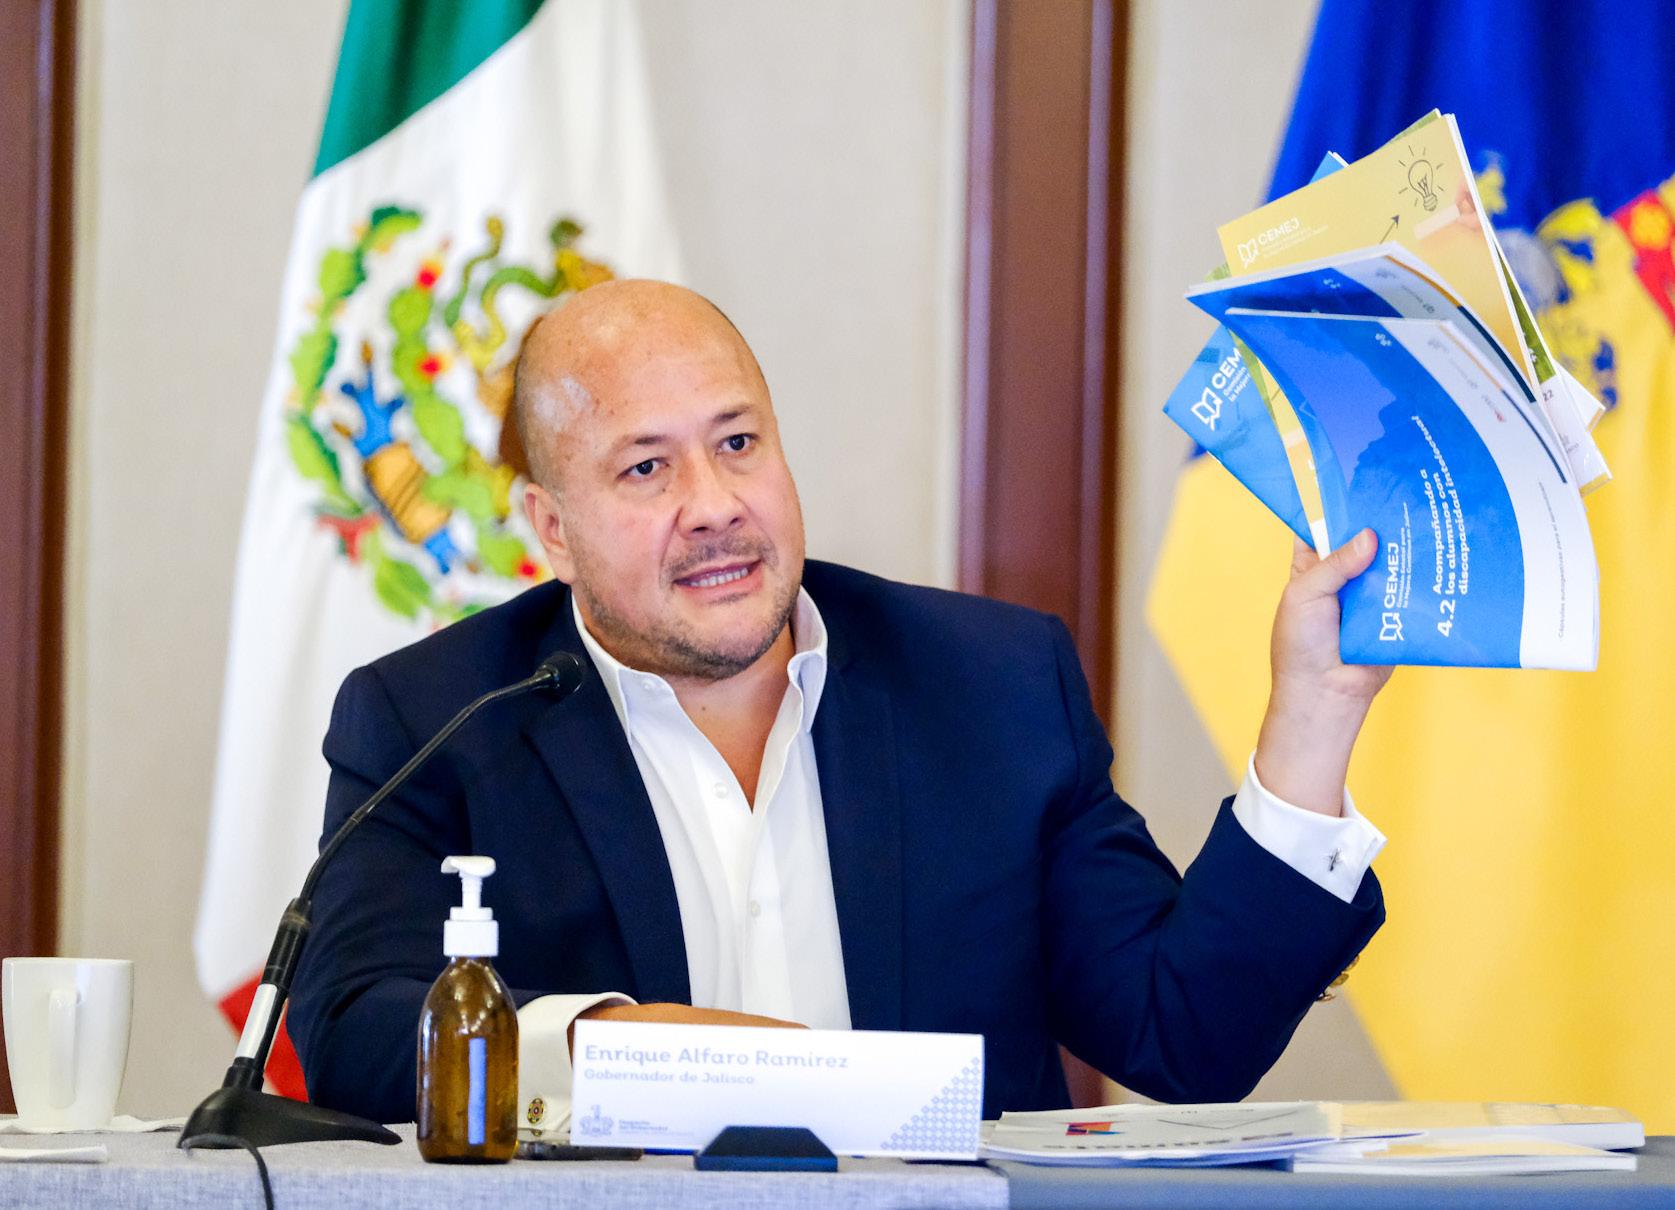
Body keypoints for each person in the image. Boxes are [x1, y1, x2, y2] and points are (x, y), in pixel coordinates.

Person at [289, 280, 1390, 1131]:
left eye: (737, 443)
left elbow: (1186, 1031)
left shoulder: (989, 685)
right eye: (645, 470)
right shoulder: (437, 721)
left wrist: (1314, 708)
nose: (714, 506)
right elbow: (351, 1031)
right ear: (552, 528)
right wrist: (626, 1049)